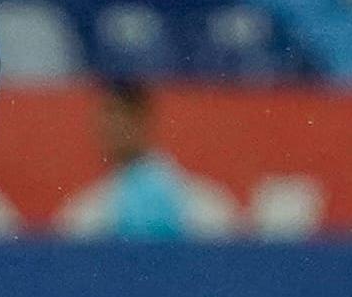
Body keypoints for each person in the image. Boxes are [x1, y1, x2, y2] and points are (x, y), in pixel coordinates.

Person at [54, 77, 239, 241]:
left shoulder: (206, 204)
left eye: (121, 115)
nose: (112, 127)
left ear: (144, 119)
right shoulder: (86, 212)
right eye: (106, 117)